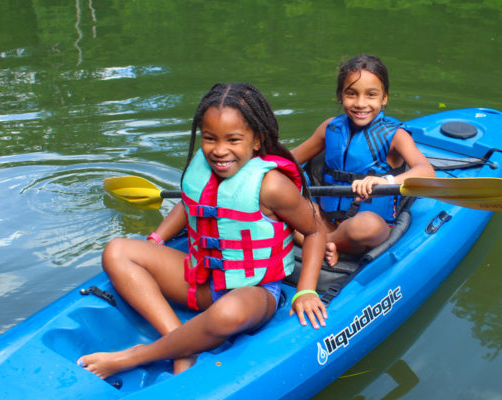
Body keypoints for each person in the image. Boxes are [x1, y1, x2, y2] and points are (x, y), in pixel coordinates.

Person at [78, 82, 327, 379]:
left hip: (255, 292)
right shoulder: (203, 169)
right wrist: (158, 238)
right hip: (200, 280)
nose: (220, 151)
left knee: (227, 312)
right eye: (210, 139)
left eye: (233, 140)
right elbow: (192, 203)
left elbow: (314, 231)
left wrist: (306, 290)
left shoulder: (272, 185)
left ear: (257, 140)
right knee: (117, 251)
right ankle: (183, 343)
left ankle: (134, 357)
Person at [292, 55, 434, 266]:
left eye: (371, 95)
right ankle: (327, 243)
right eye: (351, 94)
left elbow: (427, 172)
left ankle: (320, 243)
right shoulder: (330, 128)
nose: (360, 103)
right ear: (340, 96)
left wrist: (384, 181)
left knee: (367, 225)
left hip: (366, 231)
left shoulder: (394, 135)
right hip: (325, 221)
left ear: (384, 98)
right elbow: (290, 160)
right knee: (286, 202)